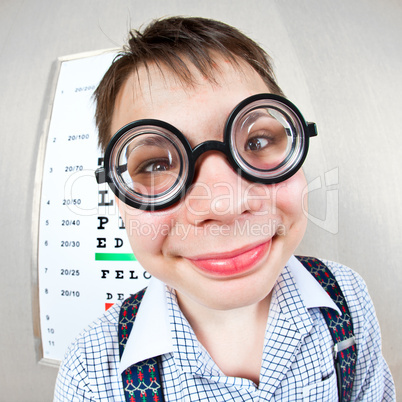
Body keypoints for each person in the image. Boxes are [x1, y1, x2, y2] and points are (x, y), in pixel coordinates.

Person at [54, 16, 395, 401]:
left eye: (256, 141)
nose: (225, 204)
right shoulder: (93, 372)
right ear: (120, 199)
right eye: (156, 165)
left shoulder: (347, 298)